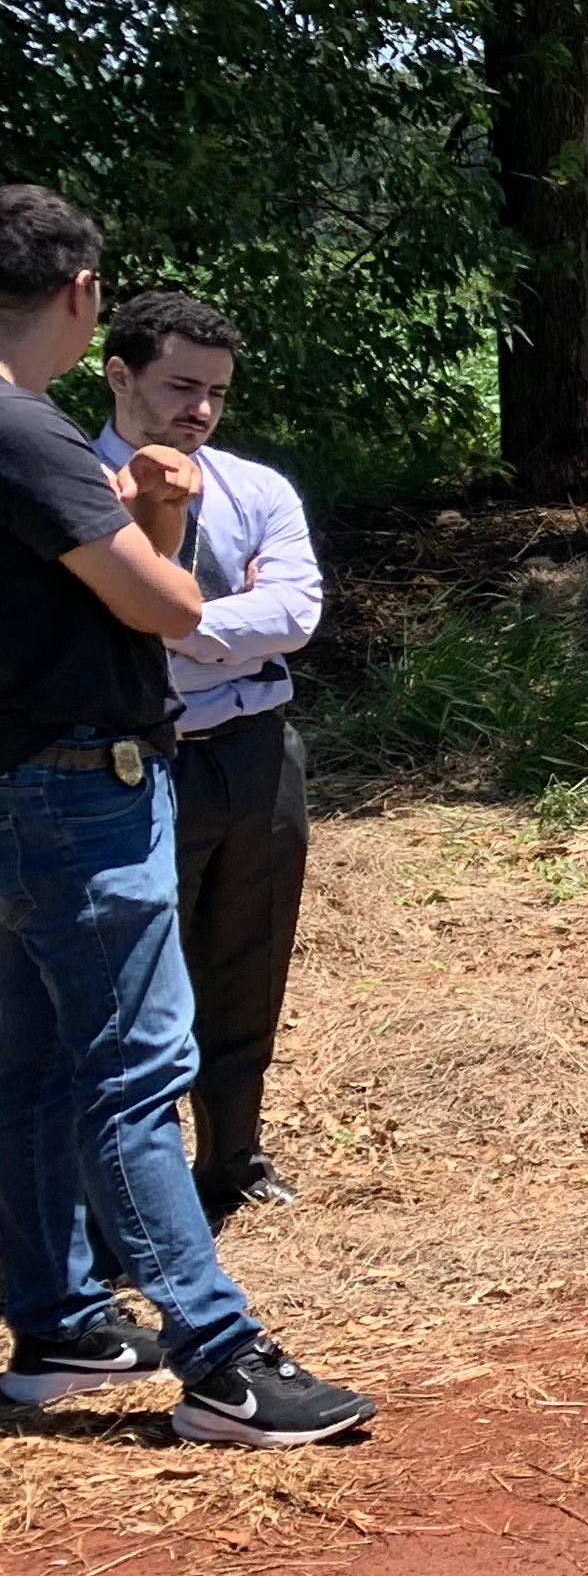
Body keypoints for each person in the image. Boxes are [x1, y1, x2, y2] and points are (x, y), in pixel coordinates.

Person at [0, 188, 374, 1443]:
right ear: (82, 298)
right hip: (75, 785)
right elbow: (159, 610)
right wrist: (171, 564)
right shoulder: (31, 437)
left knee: (39, 1064)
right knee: (136, 1067)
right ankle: (220, 1360)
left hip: (21, 782)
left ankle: (58, 1327)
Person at [91, 293, 320, 1226]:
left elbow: (297, 615)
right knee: (136, 983)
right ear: (118, 375)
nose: (202, 409)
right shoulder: (71, 492)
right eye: (182, 386)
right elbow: (107, 638)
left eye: (217, 391)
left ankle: (233, 1157)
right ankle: (125, 1196)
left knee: (248, 959)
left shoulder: (256, 490)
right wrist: (230, 629)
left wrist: (163, 619)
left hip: (261, 752)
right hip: (140, 761)